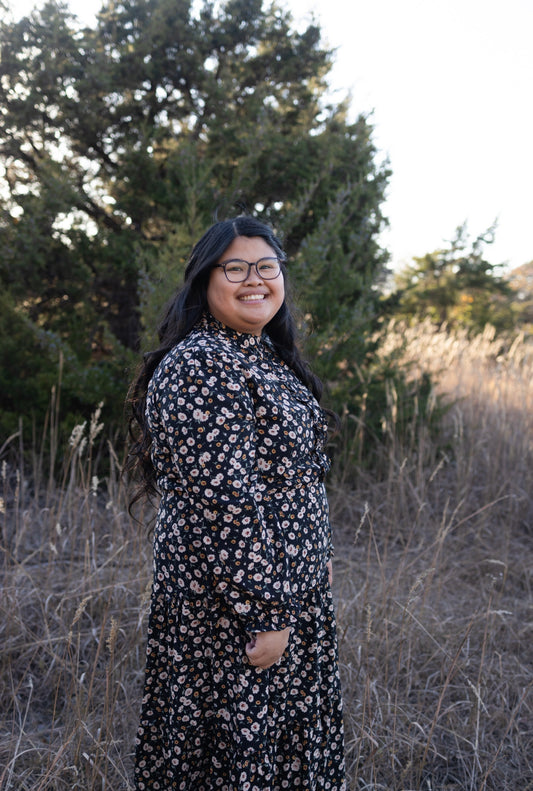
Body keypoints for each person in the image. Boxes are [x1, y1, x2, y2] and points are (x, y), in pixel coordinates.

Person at [128, 215, 346, 790]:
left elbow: (295, 479)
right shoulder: (201, 364)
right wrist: (267, 615)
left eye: (267, 267)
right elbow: (225, 505)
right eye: (236, 268)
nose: (256, 280)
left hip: (284, 593)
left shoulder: (262, 355)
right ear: (205, 280)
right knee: (237, 757)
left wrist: (314, 560)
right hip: (232, 612)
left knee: (281, 755)